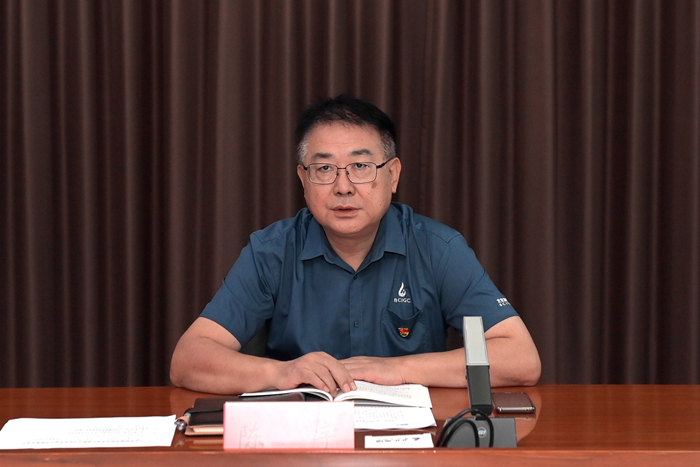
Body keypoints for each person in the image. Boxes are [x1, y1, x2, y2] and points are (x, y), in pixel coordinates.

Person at [170, 95, 541, 396]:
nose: (343, 187)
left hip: (410, 442)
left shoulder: (438, 248)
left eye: (361, 167)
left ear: (392, 175)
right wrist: (281, 373)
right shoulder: (271, 252)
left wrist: (399, 369)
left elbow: (521, 359)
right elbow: (188, 359)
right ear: (303, 179)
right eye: (325, 169)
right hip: (303, 440)